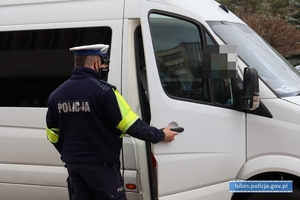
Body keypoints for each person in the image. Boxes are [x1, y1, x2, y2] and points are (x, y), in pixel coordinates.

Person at [45, 44, 178, 200]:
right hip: (103, 168)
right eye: (102, 63)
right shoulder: (105, 92)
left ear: (76, 63)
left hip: (74, 166)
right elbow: (131, 125)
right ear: (95, 63)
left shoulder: (56, 94)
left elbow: (52, 135)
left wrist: (72, 154)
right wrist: (161, 135)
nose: (103, 66)